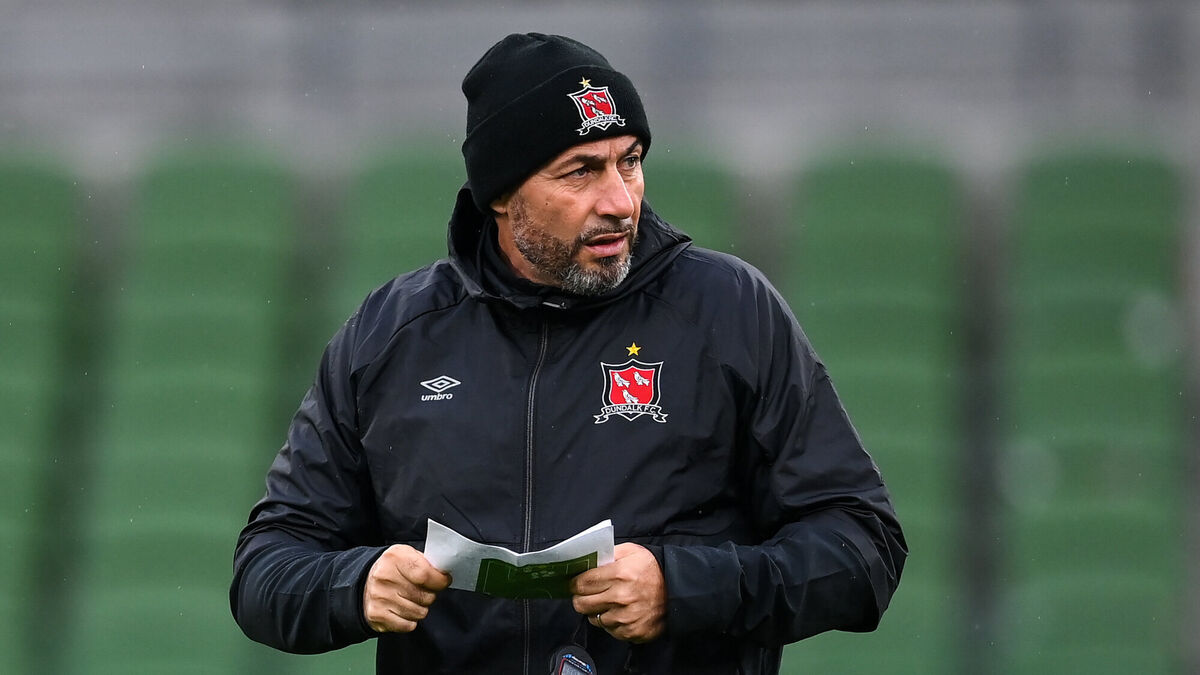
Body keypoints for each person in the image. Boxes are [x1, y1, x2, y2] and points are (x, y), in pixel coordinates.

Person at [231, 32, 906, 674]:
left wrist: (684, 587)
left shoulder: (730, 311)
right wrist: (354, 585)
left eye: (629, 161)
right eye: (580, 172)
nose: (619, 202)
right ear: (502, 194)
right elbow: (264, 569)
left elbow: (863, 548)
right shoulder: (390, 335)